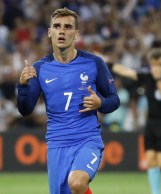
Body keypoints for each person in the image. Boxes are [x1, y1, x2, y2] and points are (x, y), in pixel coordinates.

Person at [16, 8, 120, 194]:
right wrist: (22, 86)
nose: (62, 31)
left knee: (77, 183)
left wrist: (100, 104)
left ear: (76, 34)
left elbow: (114, 100)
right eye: (57, 26)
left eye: (67, 27)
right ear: (49, 32)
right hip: (57, 144)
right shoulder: (40, 68)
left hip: (87, 140)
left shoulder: (94, 63)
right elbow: (25, 110)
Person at [110, 47, 161, 194]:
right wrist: (108, 63)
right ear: (150, 63)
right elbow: (126, 71)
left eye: (159, 64)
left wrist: (158, 80)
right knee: (150, 161)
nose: (156, 67)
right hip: (151, 123)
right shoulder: (146, 76)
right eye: (154, 64)